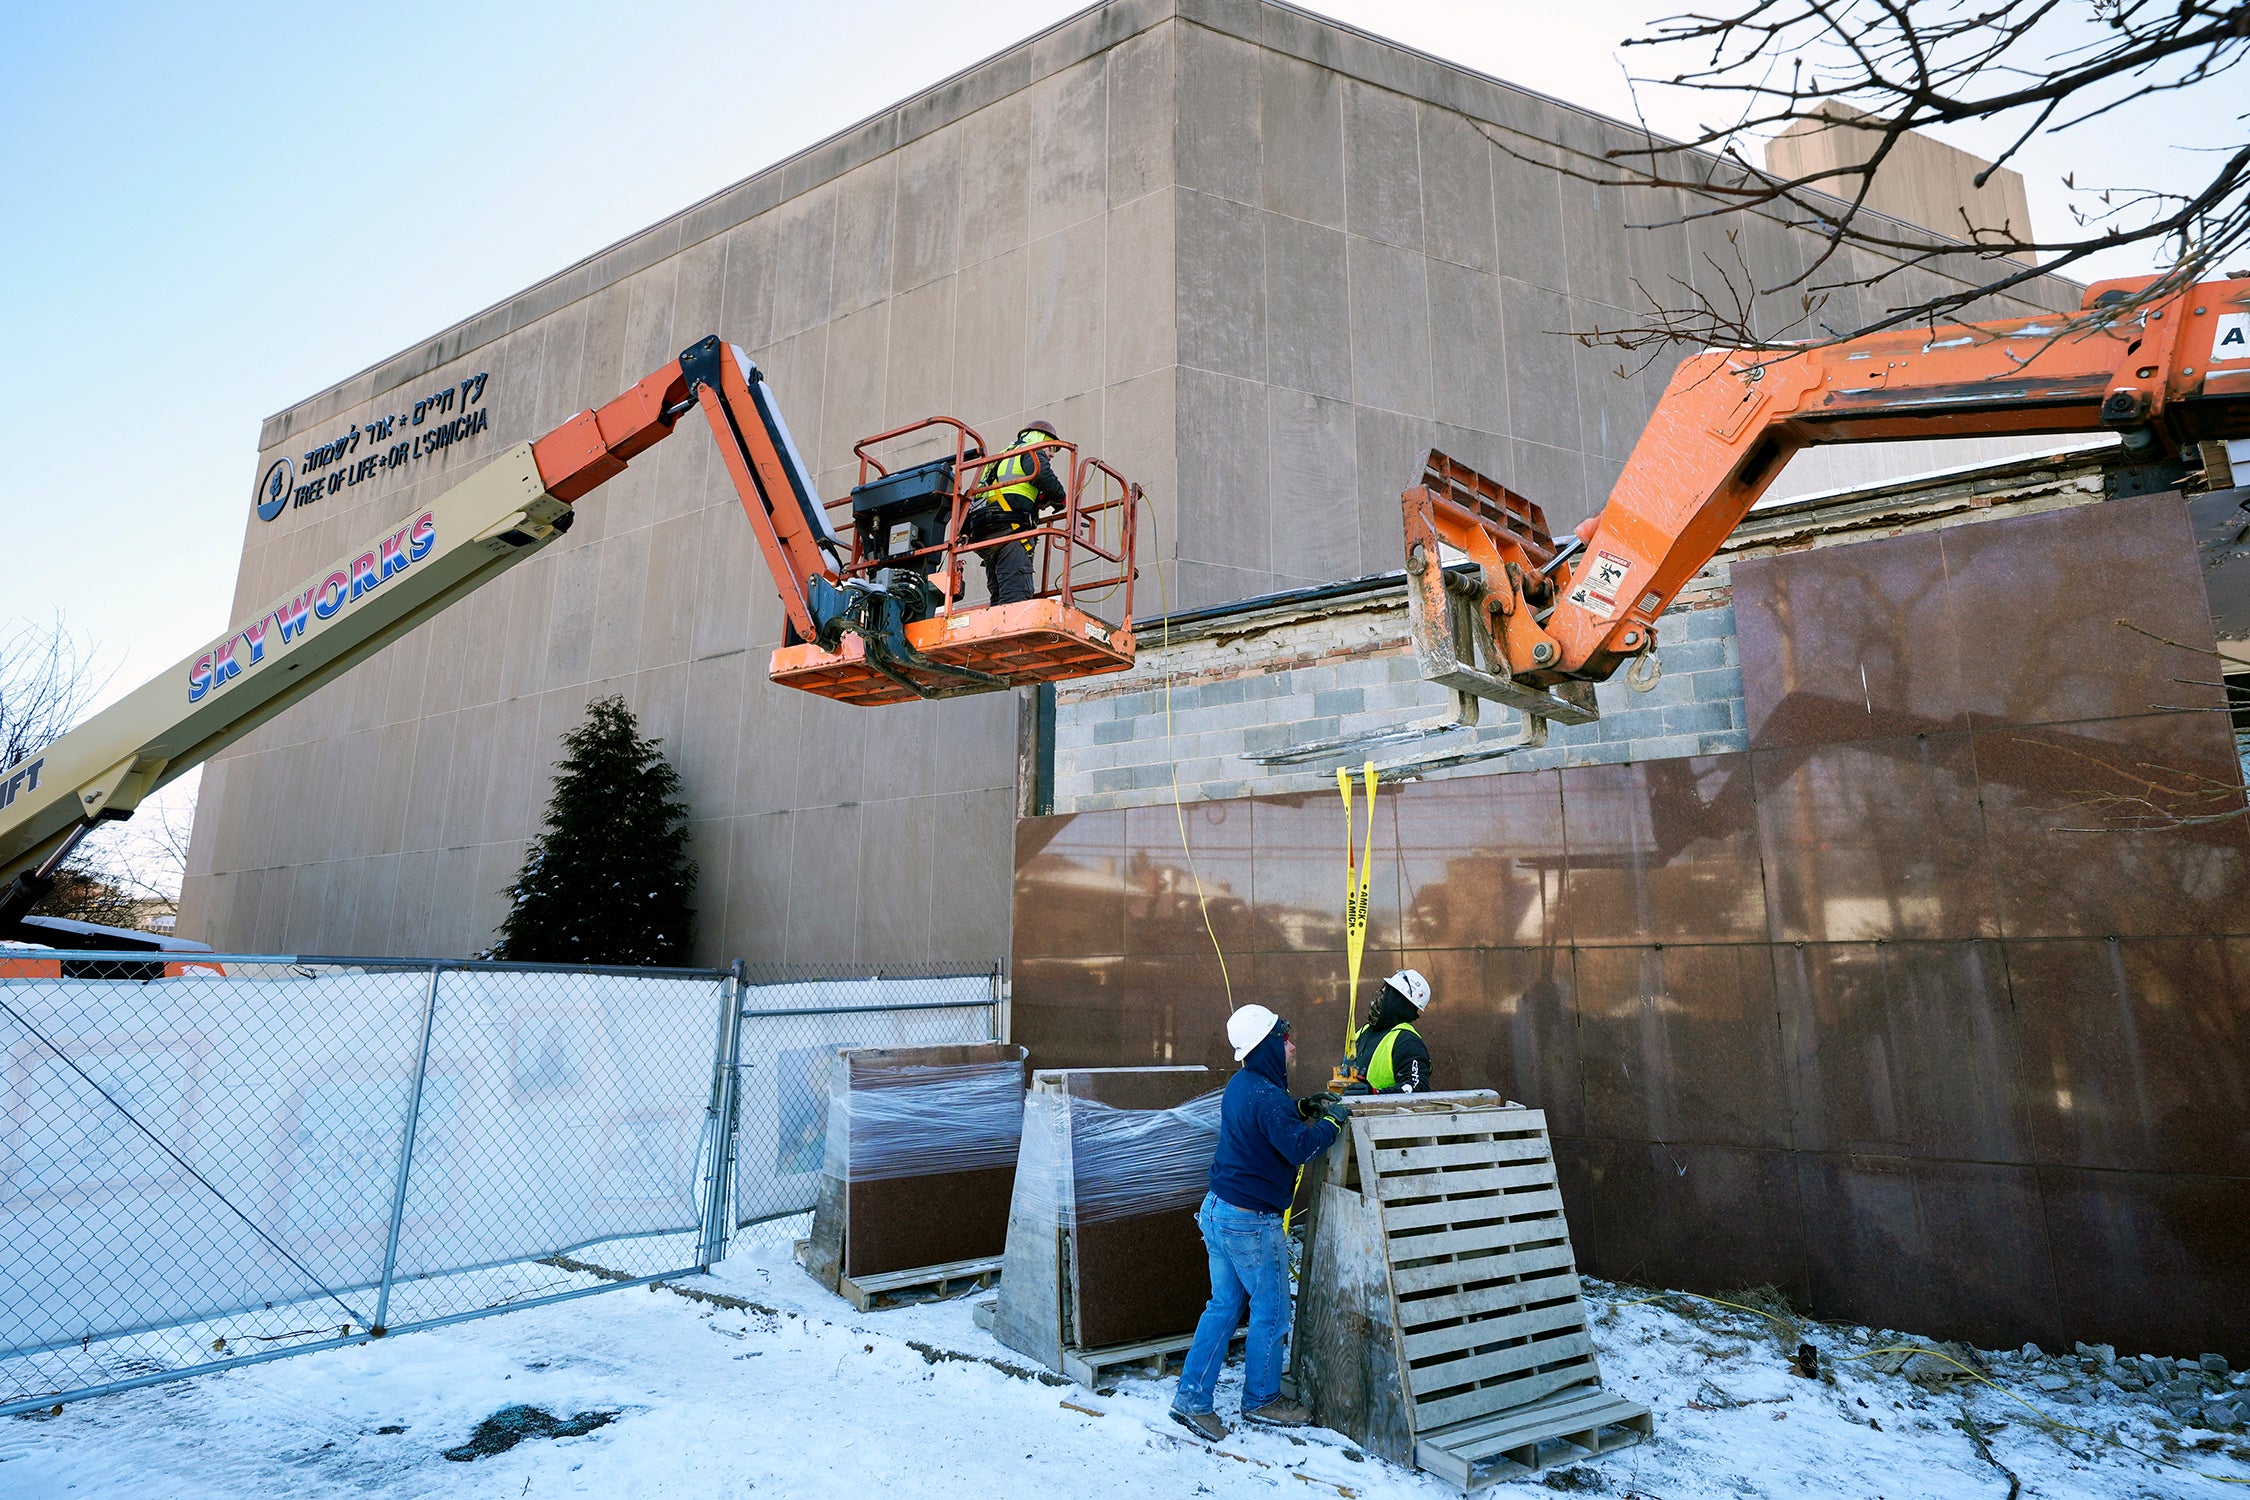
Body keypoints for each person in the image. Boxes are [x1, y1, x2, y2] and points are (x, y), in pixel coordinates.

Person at [1170, 1004, 1349, 1440]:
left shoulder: (1244, 1084)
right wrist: (1329, 1122)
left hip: (1218, 1210)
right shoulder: (1266, 1096)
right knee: (1271, 1310)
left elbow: (1270, 1124)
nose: (1291, 1046)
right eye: (1284, 1039)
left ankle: (1191, 1398)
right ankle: (1262, 1400)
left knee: (1224, 1306)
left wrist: (1302, 1105)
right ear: (1267, 1045)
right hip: (1250, 1222)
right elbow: (1299, 1149)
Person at [968, 420, 1066, 606]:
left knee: (999, 595)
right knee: (1016, 595)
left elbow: (973, 496)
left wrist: (964, 530)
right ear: (1040, 438)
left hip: (983, 532)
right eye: (1051, 447)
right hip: (1009, 528)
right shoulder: (1032, 451)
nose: (1052, 454)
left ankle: (997, 630)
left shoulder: (997, 460)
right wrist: (1060, 497)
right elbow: (1042, 475)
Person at [1345, 968, 1432, 1095]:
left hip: (1383, 1114)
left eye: (1387, 991)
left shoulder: (1407, 1041)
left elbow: (1418, 1088)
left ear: (1399, 1001)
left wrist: (1375, 1093)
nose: (1381, 993)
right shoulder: (1364, 1031)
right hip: (1351, 1112)